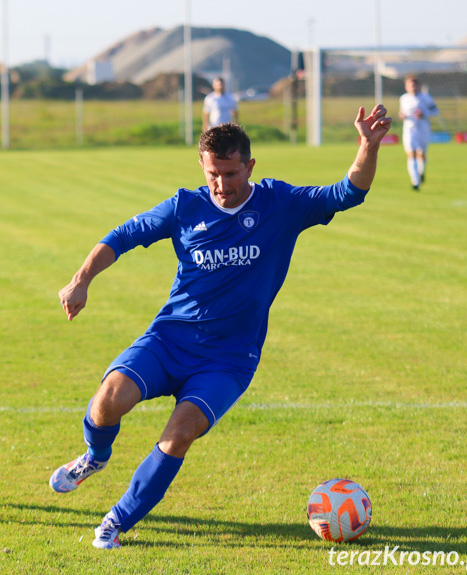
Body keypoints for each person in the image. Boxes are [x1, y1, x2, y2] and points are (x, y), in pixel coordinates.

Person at [50, 105, 392, 549]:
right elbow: (122, 235)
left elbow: (347, 193)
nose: (222, 185)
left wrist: (367, 145)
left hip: (229, 359)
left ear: (249, 166)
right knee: (107, 403)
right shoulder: (184, 207)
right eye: (214, 173)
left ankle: (116, 521)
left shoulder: (280, 204)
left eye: (231, 174)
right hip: (169, 338)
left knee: (180, 432)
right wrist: (81, 281)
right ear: (202, 166)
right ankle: (95, 457)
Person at [399, 75, 439, 190]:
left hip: (423, 129)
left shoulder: (426, 98)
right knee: (412, 154)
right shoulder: (403, 98)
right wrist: (402, 115)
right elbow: (402, 112)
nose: (413, 87)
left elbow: (435, 111)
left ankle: (422, 172)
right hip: (409, 130)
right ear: (406, 87)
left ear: (418, 86)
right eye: (410, 85)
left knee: (422, 154)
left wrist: (424, 114)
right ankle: (415, 182)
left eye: (414, 85)